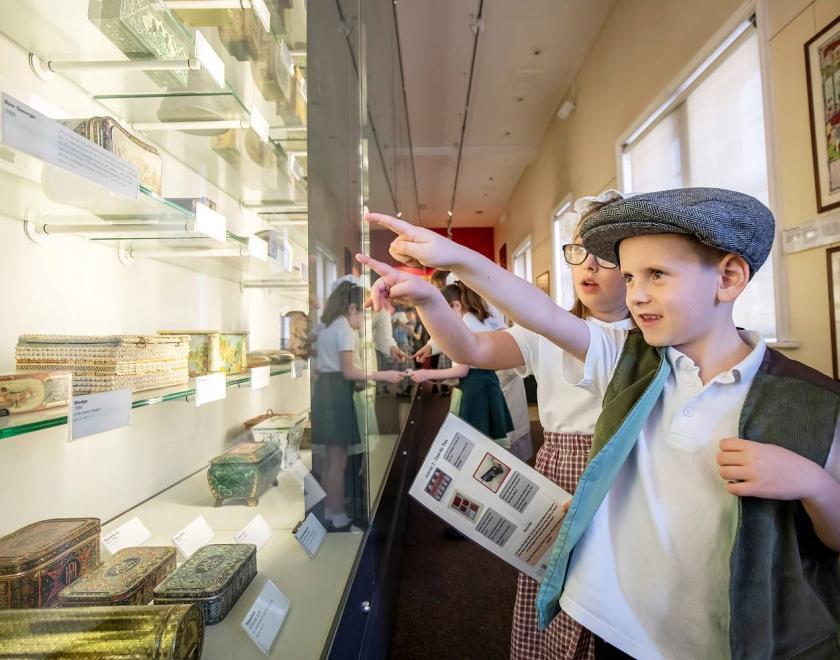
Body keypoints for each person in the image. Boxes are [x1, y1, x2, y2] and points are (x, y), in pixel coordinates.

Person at [358, 188, 840, 659]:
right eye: (630, 276)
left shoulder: (806, 402)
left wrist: (815, 485)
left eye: (656, 274)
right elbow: (539, 314)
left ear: (729, 277)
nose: (638, 295)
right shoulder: (627, 362)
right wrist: (449, 265)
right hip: (613, 619)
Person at [311, 281, 402, 532]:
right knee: (338, 461)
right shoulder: (344, 329)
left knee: (330, 460)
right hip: (337, 393)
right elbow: (349, 371)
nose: (364, 319)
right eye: (363, 312)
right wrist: (383, 376)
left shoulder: (329, 326)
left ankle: (330, 510)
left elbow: (323, 364)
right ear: (352, 308)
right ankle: (339, 518)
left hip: (326, 391)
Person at [410, 281, 514, 446]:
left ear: (456, 306)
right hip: (487, 383)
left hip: (476, 389)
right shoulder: (476, 319)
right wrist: (431, 347)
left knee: (474, 444)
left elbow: (461, 370)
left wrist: (426, 374)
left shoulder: (465, 324)